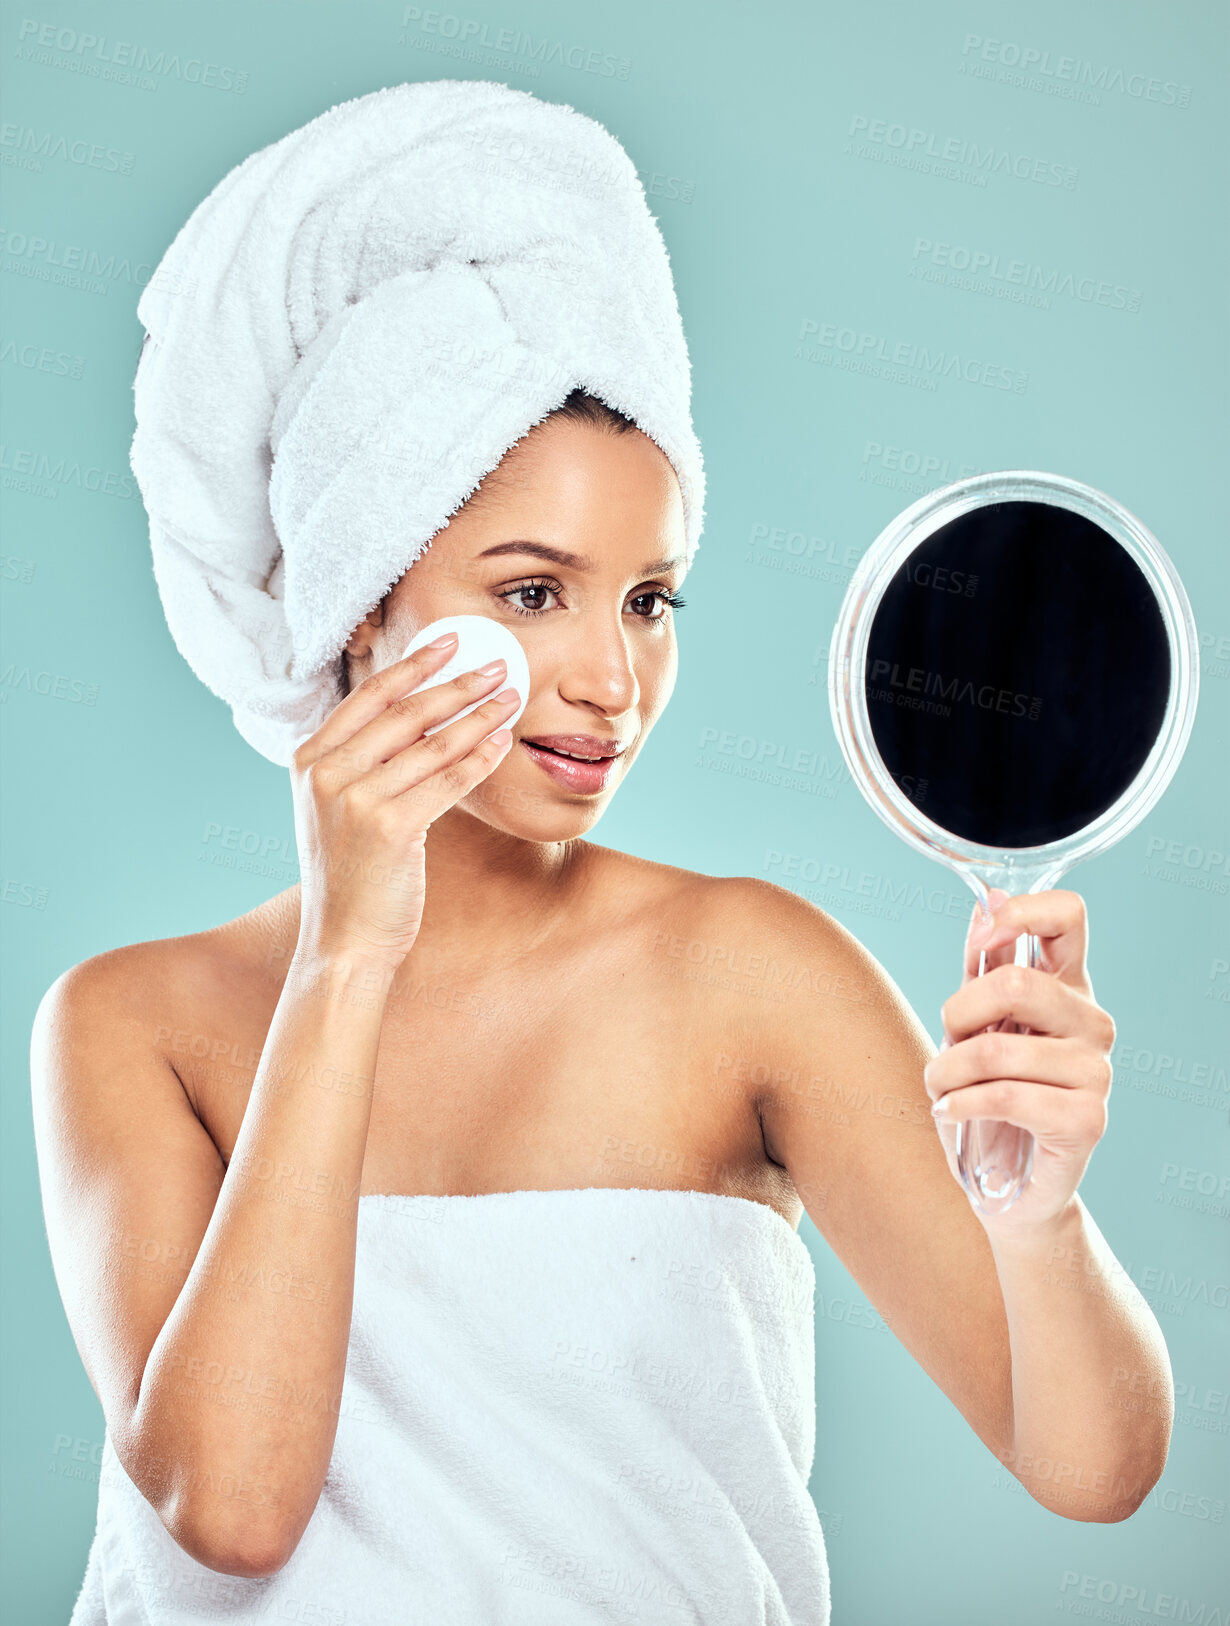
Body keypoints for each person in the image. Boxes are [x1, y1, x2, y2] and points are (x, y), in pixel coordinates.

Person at [30, 81, 1171, 1626]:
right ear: (364, 599)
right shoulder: (129, 1023)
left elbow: (1089, 1468)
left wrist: (1036, 1220)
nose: (606, 683)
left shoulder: (749, 974)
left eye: (649, 599)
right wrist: (348, 954)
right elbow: (227, 1512)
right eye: (526, 591)